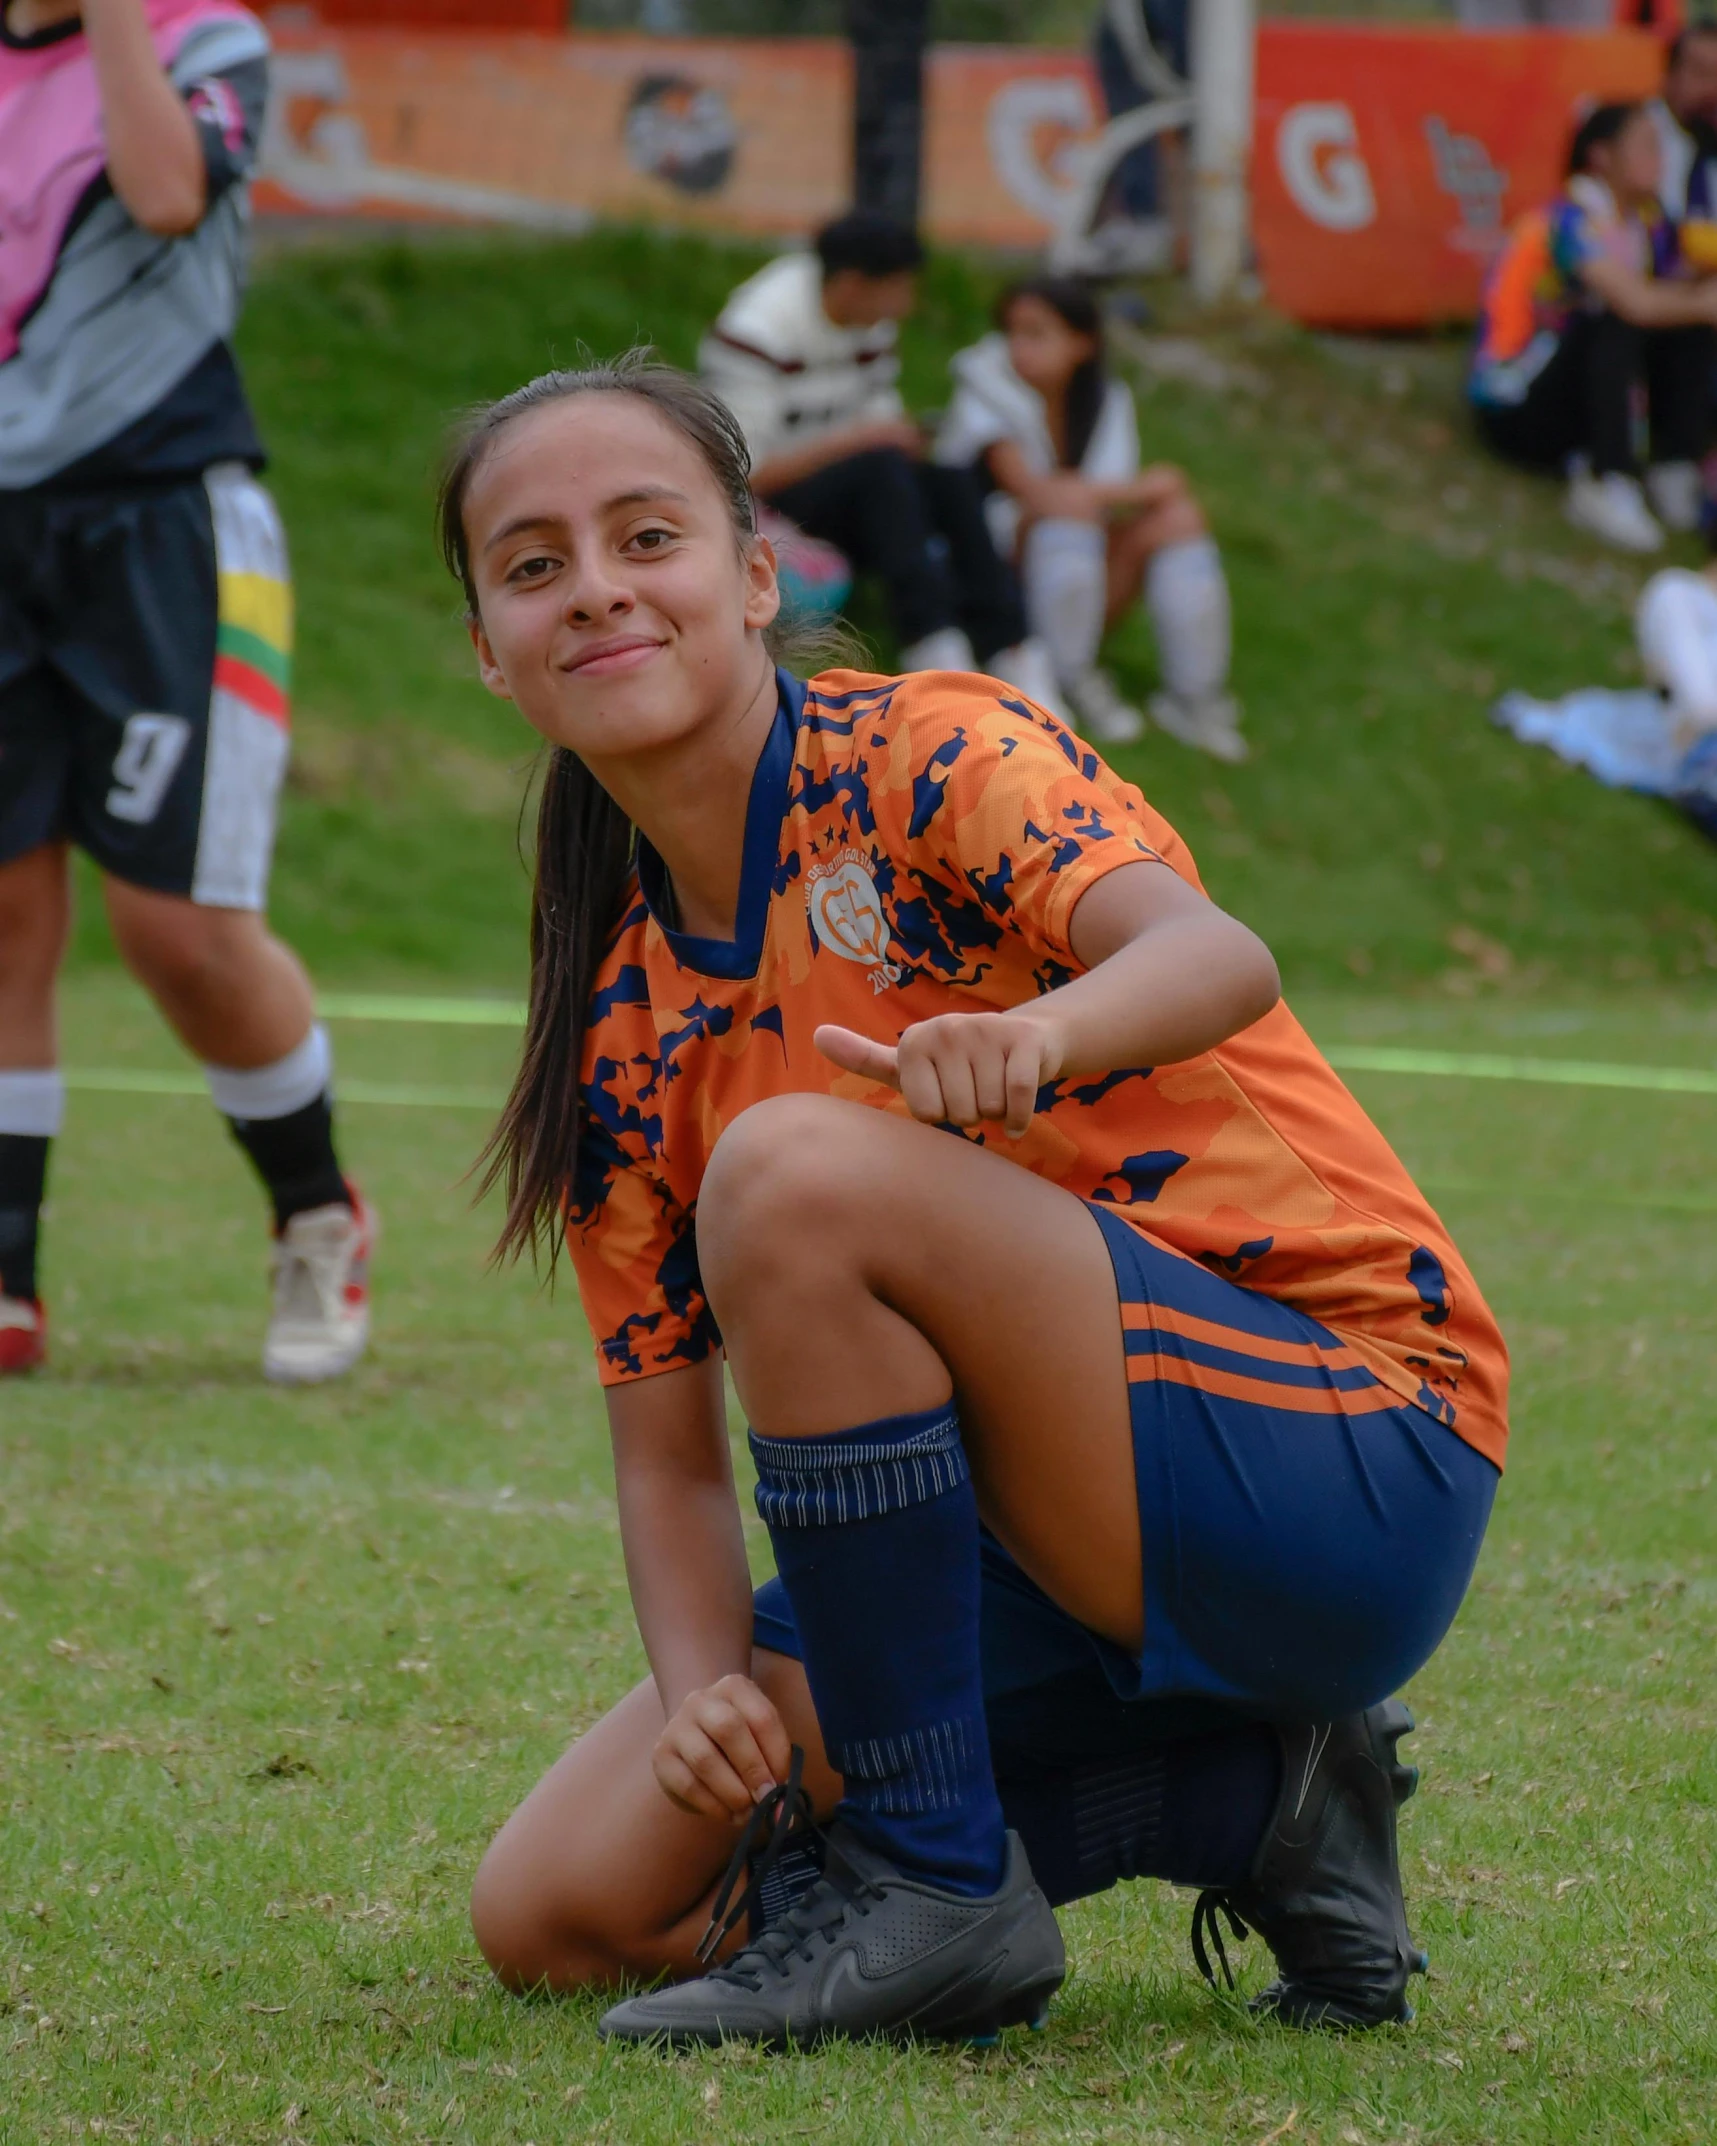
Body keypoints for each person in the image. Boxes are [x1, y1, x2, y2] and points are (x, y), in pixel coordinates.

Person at [446, 354, 1508, 2049]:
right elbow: (665, 1459)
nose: (595, 588)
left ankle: (930, 1885)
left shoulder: (931, 748)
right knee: (575, 1905)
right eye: (532, 565)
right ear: (491, 656)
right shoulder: (619, 1036)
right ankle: (1251, 1800)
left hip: (1351, 1448)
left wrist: (1032, 1037)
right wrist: (708, 1693)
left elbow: (1214, 957)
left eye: (644, 535)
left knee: (790, 1174)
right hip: (1026, 1537)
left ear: (751, 573)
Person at [0, 0, 374, 1381]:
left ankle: (319, 1214)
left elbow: (164, 195)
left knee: (179, 931)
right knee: (5, 907)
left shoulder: (201, 35)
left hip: (165, 524)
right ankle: (9, 1279)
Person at [698, 210, 1061, 707]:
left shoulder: (868, 321)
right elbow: (743, 472)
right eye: (900, 289)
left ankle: (1011, 645)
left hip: (859, 482)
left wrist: (894, 436)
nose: (907, 305)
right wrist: (863, 440)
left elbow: (876, 412)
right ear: (853, 284)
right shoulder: (757, 329)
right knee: (881, 472)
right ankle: (932, 641)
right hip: (776, 505)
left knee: (951, 479)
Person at [935, 276, 1243, 761]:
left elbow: (1099, 502)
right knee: (1071, 517)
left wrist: (1144, 494)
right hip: (988, 579)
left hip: (1076, 558)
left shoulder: (1107, 398)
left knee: (1178, 520)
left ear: (1081, 343)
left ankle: (1194, 696)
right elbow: (1029, 489)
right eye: (1013, 332)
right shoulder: (984, 383)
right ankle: (1065, 678)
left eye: (1036, 333)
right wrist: (1147, 485)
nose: (1019, 347)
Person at [1469, 101, 1717, 554]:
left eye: (1660, 147)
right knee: (1619, 312)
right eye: (1644, 146)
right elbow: (1633, 302)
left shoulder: (1648, 224)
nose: (1657, 159)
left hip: (1580, 391)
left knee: (1688, 317)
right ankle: (1608, 477)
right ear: (1602, 155)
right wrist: (1701, 301)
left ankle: (1674, 466)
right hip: (1519, 403)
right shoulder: (1567, 218)